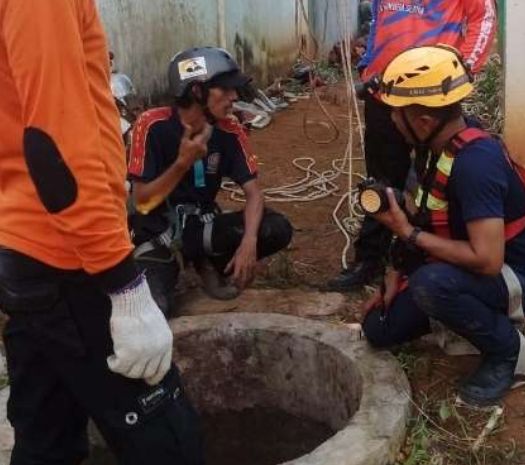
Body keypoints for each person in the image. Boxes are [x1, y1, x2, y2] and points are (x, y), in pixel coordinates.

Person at [0, 0, 204, 464]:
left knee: (46, 439)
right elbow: (56, 153)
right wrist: (125, 289)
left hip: (21, 246)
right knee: (169, 441)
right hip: (71, 258)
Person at [360, 46, 525, 407]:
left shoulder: (475, 165)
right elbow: (422, 212)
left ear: (422, 121)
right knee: (378, 330)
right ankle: (466, 309)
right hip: (461, 265)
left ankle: (506, 351)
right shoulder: (434, 146)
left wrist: (408, 234)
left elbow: (488, 260)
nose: (391, 123)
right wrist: (394, 271)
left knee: (431, 286)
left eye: (395, 114)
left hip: (517, 278)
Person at [327, 0, 498, 290]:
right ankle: (370, 259)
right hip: (383, 93)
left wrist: (463, 68)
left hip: (431, 95)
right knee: (380, 182)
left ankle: (432, 255)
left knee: (434, 182)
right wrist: (367, 66)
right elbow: (379, 20)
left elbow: (484, 18)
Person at [128, 47, 293, 316]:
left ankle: (207, 262)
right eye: (225, 90)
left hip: (201, 228)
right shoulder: (151, 126)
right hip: (158, 237)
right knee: (152, 312)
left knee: (276, 228)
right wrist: (182, 163)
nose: (234, 97)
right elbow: (142, 202)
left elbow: (253, 193)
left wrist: (249, 242)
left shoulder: (229, 130)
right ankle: (169, 267)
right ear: (197, 91)